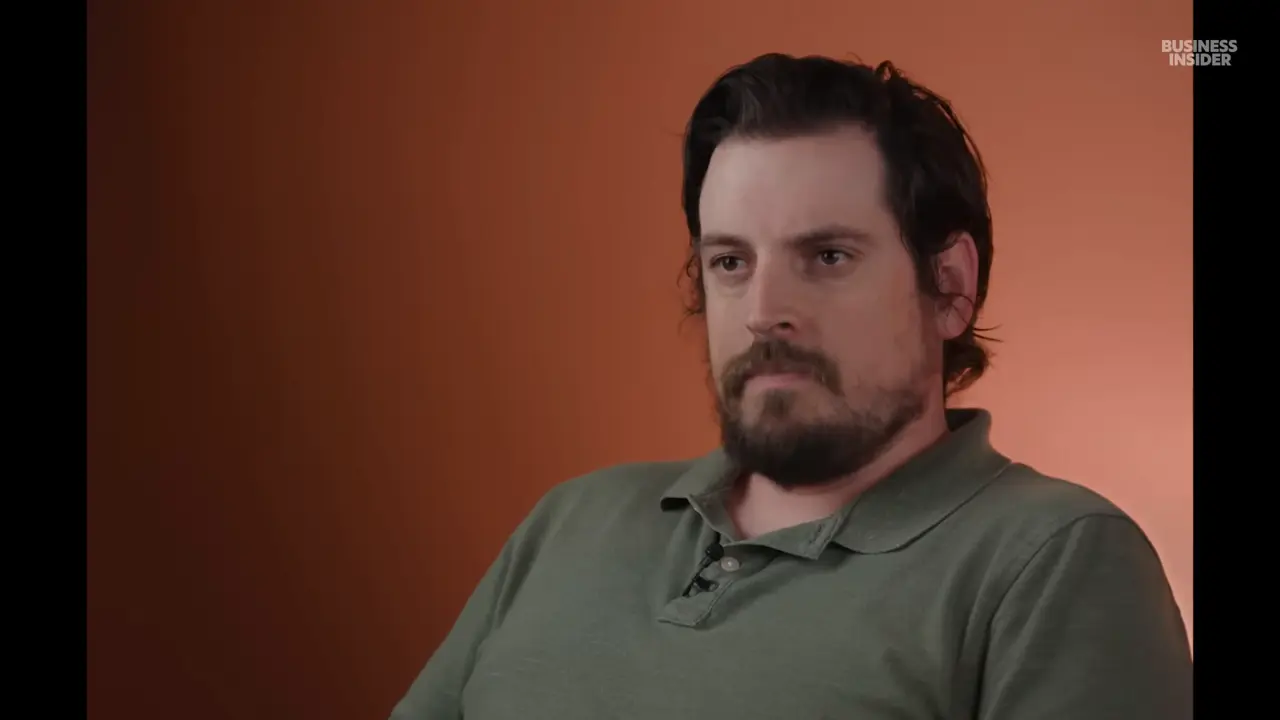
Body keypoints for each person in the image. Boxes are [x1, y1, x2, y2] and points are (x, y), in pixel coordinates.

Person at [389, 53, 1193, 719]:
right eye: (730, 262)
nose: (763, 311)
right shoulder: (571, 521)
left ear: (949, 285)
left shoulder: (1055, 559)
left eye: (827, 257)